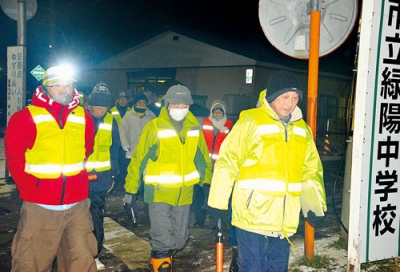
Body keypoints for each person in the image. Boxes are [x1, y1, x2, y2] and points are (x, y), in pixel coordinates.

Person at [208, 70, 327, 271]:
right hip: (252, 215)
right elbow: (228, 161)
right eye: (284, 97)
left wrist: (315, 205)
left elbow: (310, 170)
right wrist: (218, 202)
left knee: (278, 268)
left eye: (295, 97)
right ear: (271, 97)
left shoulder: (302, 129)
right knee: (253, 268)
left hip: (284, 219)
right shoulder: (250, 121)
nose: (290, 103)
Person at [4, 65, 98, 271]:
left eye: (67, 85)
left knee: (81, 261)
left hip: (77, 206)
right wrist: (31, 187)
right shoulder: (25, 117)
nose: (63, 90)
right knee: (31, 263)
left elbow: (87, 148)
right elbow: (14, 157)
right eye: (56, 86)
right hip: (40, 207)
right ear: (45, 87)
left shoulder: (84, 116)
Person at [124, 84, 212, 272]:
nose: (180, 110)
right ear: (167, 105)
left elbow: (203, 158)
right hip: (158, 193)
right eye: (176, 105)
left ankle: (163, 258)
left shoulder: (194, 129)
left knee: (179, 240)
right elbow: (139, 159)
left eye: (184, 106)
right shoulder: (154, 127)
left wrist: (207, 184)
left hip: (185, 193)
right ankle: (161, 263)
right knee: (163, 239)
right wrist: (130, 190)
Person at [86, 82, 121, 270]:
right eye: (96, 107)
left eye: (103, 108)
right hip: (79, 177)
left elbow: (114, 147)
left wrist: (114, 172)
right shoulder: (79, 118)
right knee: (78, 218)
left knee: (96, 215)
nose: (100, 111)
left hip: (101, 178)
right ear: (89, 106)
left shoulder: (110, 121)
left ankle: (95, 253)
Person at [192, 100, 233, 228]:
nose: (217, 113)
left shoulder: (230, 126)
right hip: (204, 166)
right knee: (200, 193)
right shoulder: (204, 123)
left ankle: (218, 222)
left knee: (218, 195)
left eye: (220, 110)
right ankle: (200, 220)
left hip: (221, 167)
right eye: (215, 110)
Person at [119, 94, 156, 199]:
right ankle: (132, 193)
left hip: (146, 151)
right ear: (135, 104)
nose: (142, 104)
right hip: (132, 149)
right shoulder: (128, 115)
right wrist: (125, 145)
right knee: (133, 172)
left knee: (146, 173)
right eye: (139, 102)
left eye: (144, 102)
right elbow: (123, 130)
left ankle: (143, 193)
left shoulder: (151, 116)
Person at [110, 91, 132, 189]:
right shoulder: (111, 111)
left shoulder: (132, 111)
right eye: (120, 99)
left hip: (127, 142)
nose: (122, 101)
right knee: (115, 162)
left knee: (125, 162)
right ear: (117, 100)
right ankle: (115, 182)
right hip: (114, 141)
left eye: (125, 99)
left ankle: (122, 182)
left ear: (128, 100)